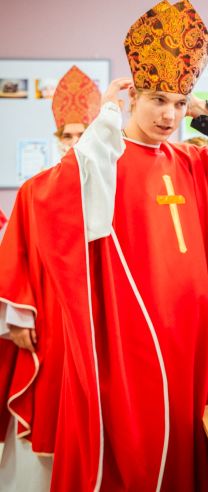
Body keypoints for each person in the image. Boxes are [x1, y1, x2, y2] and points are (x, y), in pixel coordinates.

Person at [0, 0, 208, 491]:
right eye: (158, 100)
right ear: (133, 97)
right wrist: (106, 119)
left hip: (190, 343)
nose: (169, 115)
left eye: (179, 103)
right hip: (127, 344)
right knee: (133, 458)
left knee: (185, 458)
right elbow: (67, 191)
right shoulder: (107, 162)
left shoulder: (192, 162)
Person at [0, 66, 101, 491]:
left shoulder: (112, 192)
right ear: (57, 138)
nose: (74, 144)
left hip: (98, 322)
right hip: (50, 323)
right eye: (67, 136)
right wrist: (19, 317)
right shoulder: (33, 191)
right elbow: (15, 257)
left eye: (83, 135)